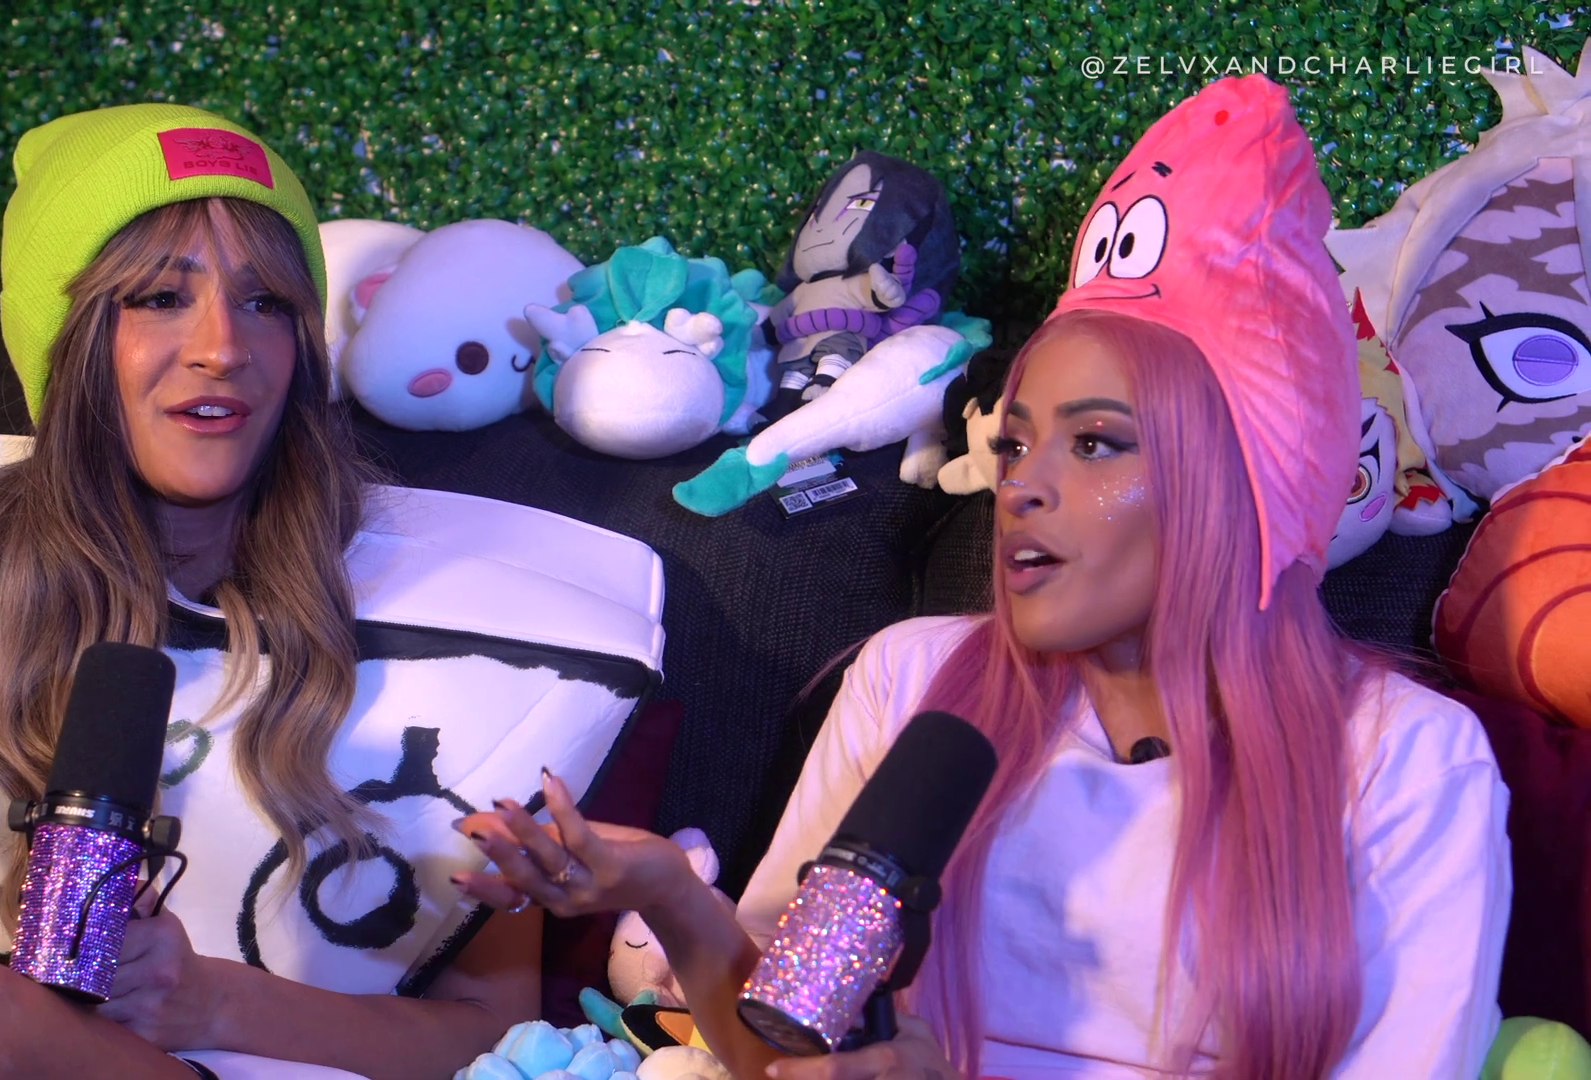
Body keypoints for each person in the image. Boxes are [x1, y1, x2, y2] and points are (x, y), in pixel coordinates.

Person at [455, 77, 1511, 1079]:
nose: (1022, 487)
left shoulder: (1409, 762)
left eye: (1095, 444)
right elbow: (785, 1052)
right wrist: (668, 894)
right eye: (1013, 444)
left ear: (1247, 482)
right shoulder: (913, 683)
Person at [0, 105, 563, 1080]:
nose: (223, 346)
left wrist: (209, 1001)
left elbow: (503, 1042)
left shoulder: (447, 626)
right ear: (65, 341)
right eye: (159, 297)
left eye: (265, 301)